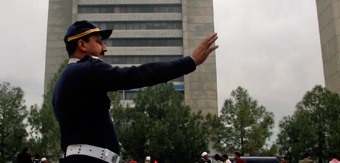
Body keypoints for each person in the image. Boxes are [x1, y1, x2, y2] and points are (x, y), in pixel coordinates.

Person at [53, 20, 219, 163]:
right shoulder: (86, 69)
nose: (105, 48)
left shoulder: (65, 77)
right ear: (82, 45)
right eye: (98, 42)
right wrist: (190, 62)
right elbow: (140, 74)